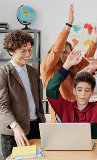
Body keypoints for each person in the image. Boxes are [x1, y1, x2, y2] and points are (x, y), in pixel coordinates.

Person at [40, 3, 97, 123]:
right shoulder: (48, 67)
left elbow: (87, 58)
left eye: (69, 52)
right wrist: (69, 23)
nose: (68, 56)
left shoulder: (71, 67)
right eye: (65, 53)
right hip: (61, 115)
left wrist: (95, 38)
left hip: (75, 111)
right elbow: (57, 49)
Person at [46, 49, 97, 139]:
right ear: (74, 91)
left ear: (92, 92)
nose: (83, 94)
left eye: (87, 90)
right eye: (79, 90)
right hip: (70, 150)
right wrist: (66, 66)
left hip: (94, 151)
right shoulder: (65, 107)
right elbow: (50, 89)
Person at [0, 30, 45, 160]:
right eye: (23, 51)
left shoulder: (34, 72)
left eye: (30, 50)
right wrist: (15, 126)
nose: (28, 54)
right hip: (14, 131)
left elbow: (37, 101)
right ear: (11, 51)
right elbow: (2, 106)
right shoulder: (3, 73)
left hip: (36, 127)